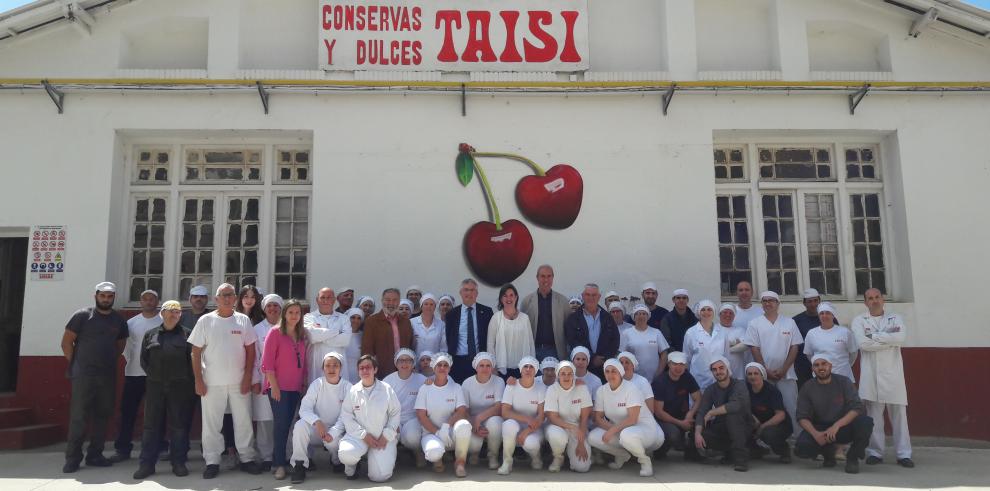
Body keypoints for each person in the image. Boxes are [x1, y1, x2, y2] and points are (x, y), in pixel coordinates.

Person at [188, 283, 261, 479]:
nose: (228, 298)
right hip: (211, 382)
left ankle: (247, 458)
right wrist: (198, 380)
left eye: (231, 294)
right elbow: (195, 353)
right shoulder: (205, 320)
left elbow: (251, 351)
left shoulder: (243, 320)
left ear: (235, 297)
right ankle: (212, 461)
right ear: (216, 299)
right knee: (211, 425)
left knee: (244, 421)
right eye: (224, 295)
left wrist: (247, 377)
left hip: (239, 382)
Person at [60, 281, 128, 473]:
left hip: (107, 375)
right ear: (96, 296)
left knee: (103, 415)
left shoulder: (118, 320)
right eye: (102, 296)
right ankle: (72, 458)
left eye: (109, 296)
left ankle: (95, 455)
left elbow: (120, 344)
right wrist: (79, 364)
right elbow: (66, 343)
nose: (106, 299)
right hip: (83, 376)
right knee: (79, 417)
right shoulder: (82, 315)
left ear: (113, 298)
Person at [132, 300, 196, 479]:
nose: (173, 315)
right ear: (162, 313)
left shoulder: (187, 335)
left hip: (180, 388)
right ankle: (147, 464)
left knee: (179, 427)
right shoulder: (150, 335)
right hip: (155, 386)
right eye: (170, 311)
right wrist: (156, 376)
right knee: (151, 427)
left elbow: (192, 363)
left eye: (177, 312)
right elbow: (144, 360)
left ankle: (178, 463)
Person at [851, 288, 914, 468]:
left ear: (883, 299)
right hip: (871, 376)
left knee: (899, 416)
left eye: (877, 297)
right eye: (870, 298)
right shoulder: (859, 321)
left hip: (894, 375)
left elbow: (900, 337)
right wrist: (888, 340)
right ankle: (875, 452)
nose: (874, 300)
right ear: (865, 302)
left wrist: (875, 337)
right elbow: (863, 344)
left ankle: (904, 454)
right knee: (874, 416)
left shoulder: (896, 319)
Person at [794, 354, 873, 474]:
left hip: (842, 427)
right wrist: (816, 434)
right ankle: (828, 454)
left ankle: (853, 458)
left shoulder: (844, 382)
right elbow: (801, 416)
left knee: (865, 422)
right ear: (812, 369)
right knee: (802, 448)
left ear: (830, 366)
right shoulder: (807, 387)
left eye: (824, 364)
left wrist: (836, 426)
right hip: (820, 428)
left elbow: (857, 408)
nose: (821, 367)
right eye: (816, 365)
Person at [111, 289, 162, 463]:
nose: (148, 302)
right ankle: (123, 449)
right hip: (134, 373)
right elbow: (125, 347)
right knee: (128, 412)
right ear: (140, 302)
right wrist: (132, 362)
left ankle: (159, 447)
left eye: (152, 299)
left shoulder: (164, 321)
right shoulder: (131, 323)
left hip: (157, 376)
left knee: (158, 413)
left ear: (157, 301)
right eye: (145, 299)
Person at [590, 359, 664, 477]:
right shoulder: (602, 391)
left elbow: (632, 419)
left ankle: (644, 461)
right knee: (592, 437)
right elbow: (598, 418)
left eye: (614, 371)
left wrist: (613, 431)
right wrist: (612, 429)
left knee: (627, 435)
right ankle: (622, 455)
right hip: (621, 429)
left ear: (620, 373)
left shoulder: (631, 389)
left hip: (644, 429)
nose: (610, 374)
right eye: (607, 371)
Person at [336, 354, 402, 482]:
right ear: (358, 371)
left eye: (368, 367)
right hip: (359, 437)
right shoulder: (352, 391)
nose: (365, 371)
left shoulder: (387, 389)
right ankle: (352, 465)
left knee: (380, 477)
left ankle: (376, 457)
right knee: (346, 454)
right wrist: (364, 436)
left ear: (375, 370)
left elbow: (395, 413)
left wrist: (386, 435)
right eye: (361, 368)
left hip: (381, 439)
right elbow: (347, 416)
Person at [744, 291, 803, 435]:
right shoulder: (754, 323)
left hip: (786, 374)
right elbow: (754, 348)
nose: (768, 303)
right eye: (765, 301)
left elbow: (794, 347)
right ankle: (764, 438)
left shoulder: (790, 322)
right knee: (766, 408)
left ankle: (795, 438)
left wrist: (784, 369)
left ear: (778, 304)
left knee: (790, 406)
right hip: (763, 376)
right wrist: (765, 370)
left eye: (771, 300)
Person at [261, 299, 308, 479]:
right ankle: (278, 464)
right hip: (278, 387)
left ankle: (286, 459)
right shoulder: (275, 333)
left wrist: (303, 383)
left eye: (297, 313)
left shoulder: (301, 335)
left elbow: (303, 363)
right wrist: (274, 386)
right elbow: (267, 364)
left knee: (289, 426)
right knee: (280, 426)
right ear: (284, 314)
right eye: (291, 312)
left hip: (295, 387)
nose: (294, 316)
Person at [289, 352, 350, 483]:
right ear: (323, 368)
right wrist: (316, 421)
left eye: (335, 365)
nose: (331, 369)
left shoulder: (347, 387)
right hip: (317, 429)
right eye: (328, 365)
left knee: (332, 442)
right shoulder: (317, 384)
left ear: (341, 368)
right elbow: (304, 409)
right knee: (300, 426)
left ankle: (336, 460)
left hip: (337, 430)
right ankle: (299, 465)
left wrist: (332, 433)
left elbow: (347, 415)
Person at [414, 353, 473, 477]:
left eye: (445, 365)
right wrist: (437, 432)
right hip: (431, 433)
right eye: (439, 365)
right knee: (434, 452)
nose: (442, 367)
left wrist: (447, 426)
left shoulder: (456, 387)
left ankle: (460, 463)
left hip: (450, 432)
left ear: (450, 368)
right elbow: (421, 415)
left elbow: (461, 410)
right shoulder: (425, 389)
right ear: (434, 368)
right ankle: (438, 460)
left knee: (464, 425)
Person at [694, 357, 751, 472]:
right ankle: (728, 452)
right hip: (722, 428)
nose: (718, 372)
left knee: (732, 416)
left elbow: (736, 405)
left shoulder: (739, 385)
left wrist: (712, 412)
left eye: (721, 368)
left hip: (742, 427)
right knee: (696, 435)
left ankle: (741, 460)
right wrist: (697, 434)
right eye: (714, 369)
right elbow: (702, 411)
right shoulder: (711, 389)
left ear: (728, 369)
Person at [497, 356, 547, 475]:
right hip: (515, 425)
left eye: (531, 367)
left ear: (535, 371)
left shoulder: (541, 387)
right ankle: (507, 461)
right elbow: (505, 412)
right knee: (508, 424)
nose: (528, 369)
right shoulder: (511, 385)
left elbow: (541, 416)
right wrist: (527, 419)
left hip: (534, 428)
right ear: (520, 370)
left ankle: (536, 457)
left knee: (531, 444)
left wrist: (527, 431)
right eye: (525, 366)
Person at [251, 294, 283, 470]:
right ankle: (266, 457)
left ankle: (284, 454)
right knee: (264, 420)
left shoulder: (288, 327)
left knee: (284, 419)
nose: (273, 309)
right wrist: (255, 380)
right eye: (269, 306)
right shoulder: (257, 329)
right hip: (264, 380)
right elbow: (255, 357)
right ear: (264, 309)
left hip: (285, 380)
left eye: (276, 306)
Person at [650, 352, 701, 461]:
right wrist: (681, 423)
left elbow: (698, 398)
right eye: (675, 364)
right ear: (668, 364)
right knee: (673, 434)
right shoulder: (660, 382)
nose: (678, 367)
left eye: (682, 364)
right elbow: (659, 412)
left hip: (683, 416)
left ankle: (691, 451)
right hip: (663, 419)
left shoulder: (687, 376)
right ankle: (660, 450)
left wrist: (690, 414)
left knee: (702, 420)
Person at [545, 360, 593, 473]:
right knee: (556, 435)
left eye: (570, 373)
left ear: (574, 375)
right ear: (558, 375)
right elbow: (553, 417)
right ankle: (558, 457)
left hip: (578, 427)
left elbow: (584, 418)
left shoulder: (582, 388)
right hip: (557, 426)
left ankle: (575, 454)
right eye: (563, 373)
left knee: (582, 467)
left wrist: (581, 443)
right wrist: (572, 427)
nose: (566, 376)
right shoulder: (552, 389)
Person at [564, 283, 620, 380]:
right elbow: (572, 341)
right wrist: (592, 358)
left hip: (604, 367)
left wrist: (603, 358)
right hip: (582, 366)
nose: (591, 298)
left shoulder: (607, 317)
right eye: (588, 295)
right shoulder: (573, 319)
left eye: (594, 295)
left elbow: (615, 341)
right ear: (582, 296)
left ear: (599, 297)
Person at [383, 349, 428, 467]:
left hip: (413, 419)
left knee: (412, 437)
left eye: (408, 360)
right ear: (396, 363)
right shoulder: (388, 381)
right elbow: (382, 405)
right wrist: (390, 422)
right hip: (393, 418)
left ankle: (417, 451)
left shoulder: (421, 380)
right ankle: (394, 454)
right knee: (390, 436)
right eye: (401, 361)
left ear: (413, 363)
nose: (404, 363)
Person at [460, 352, 505, 470]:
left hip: (490, 418)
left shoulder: (499, 381)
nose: (485, 368)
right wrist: (474, 423)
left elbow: (498, 406)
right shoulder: (467, 383)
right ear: (476, 367)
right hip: (472, 420)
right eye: (482, 365)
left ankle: (492, 456)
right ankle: (474, 453)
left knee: (496, 423)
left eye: (488, 365)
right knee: (474, 445)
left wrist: (479, 418)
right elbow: (464, 410)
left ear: (492, 368)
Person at [444, 279, 494, 383]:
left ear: (477, 293)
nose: (469, 293)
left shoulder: (486, 312)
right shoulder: (451, 314)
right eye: (466, 290)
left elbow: (491, 337)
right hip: (458, 362)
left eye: (472, 290)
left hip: (479, 362)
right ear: (461, 293)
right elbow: (449, 338)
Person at [519, 265, 572, 360]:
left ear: (553, 278)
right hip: (533, 351)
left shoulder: (563, 301)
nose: (546, 280)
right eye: (542, 276)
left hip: (556, 351)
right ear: (537, 278)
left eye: (549, 276)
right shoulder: (527, 301)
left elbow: (569, 329)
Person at [744, 362, 791, 463]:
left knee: (768, 434)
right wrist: (752, 418)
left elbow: (781, 415)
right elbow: (741, 407)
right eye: (749, 374)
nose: (752, 376)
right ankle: (757, 450)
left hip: (778, 424)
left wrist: (762, 427)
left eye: (756, 373)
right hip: (756, 422)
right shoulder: (744, 389)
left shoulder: (772, 391)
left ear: (762, 375)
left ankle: (784, 451)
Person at [362, 288, 414, 377]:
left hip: (404, 370)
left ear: (398, 302)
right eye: (387, 300)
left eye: (395, 300)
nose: (391, 303)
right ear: (382, 301)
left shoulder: (405, 321)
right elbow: (367, 349)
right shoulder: (372, 321)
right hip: (381, 371)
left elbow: (410, 346)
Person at [487, 284, 534, 380]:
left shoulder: (525, 318)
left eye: (511, 295)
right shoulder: (496, 318)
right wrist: (492, 367)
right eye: (505, 295)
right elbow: (490, 344)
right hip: (502, 369)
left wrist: (532, 365)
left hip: (523, 369)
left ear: (516, 297)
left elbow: (530, 344)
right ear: (501, 299)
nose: (509, 298)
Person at [304, 288, 351, 384]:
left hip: (339, 369)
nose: (326, 300)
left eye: (329, 297)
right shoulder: (308, 317)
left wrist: (321, 337)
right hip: (316, 368)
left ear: (334, 300)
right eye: (322, 297)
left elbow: (346, 340)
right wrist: (337, 331)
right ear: (317, 300)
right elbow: (312, 337)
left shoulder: (344, 318)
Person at [803, 302, 858, 381]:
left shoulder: (844, 332)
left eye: (828, 313)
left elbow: (853, 353)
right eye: (822, 313)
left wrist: (844, 365)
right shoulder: (812, 333)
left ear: (833, 315)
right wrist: (820, 367)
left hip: (843, 376)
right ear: (819, 316)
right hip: (820, 378)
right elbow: (809, 354)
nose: (824, 316)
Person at [683, 300, 729, 391]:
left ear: (714, 312)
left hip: (719, 379)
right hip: (698, 380)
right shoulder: (691, 333)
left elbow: (726, 356)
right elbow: (686, 359)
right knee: (699, 404)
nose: (706, 312)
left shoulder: (722, 332)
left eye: (709, 309)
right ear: (699, 313)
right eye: (703, 310)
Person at [619, 304, 670, 382]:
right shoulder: (626, 333)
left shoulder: (656, 332)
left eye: (644, 314)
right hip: (633, 378)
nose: (641, 316)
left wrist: (659, 372)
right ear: (634, 317)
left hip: (655, 378)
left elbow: (664, 354)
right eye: (638, 314)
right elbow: (621, 355)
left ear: (648, 316)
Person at [792, 288, 822, 388]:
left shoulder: (828, 317)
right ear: (804, 303)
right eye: (809, 301)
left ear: (819, 301)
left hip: (823, 366)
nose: (813, 304)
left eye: (815, 301)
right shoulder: (796, 321)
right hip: (802, 366)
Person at [721, 304, 753, 380]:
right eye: (725, 312)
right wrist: (736, 342)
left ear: (734, 316)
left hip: (738, 374)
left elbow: (745, 346)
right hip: (719, 374)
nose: (728, 315)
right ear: (719, 314)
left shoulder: (740, 330)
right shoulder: (714, 329)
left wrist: (726, 348)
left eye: (731, 313)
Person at [343, 308, 364, 384]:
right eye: (353, 317)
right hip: (342, 375)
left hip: (358, 377)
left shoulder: (363, 336)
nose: (356, 320)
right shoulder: (341, 335)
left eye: (359, 318)